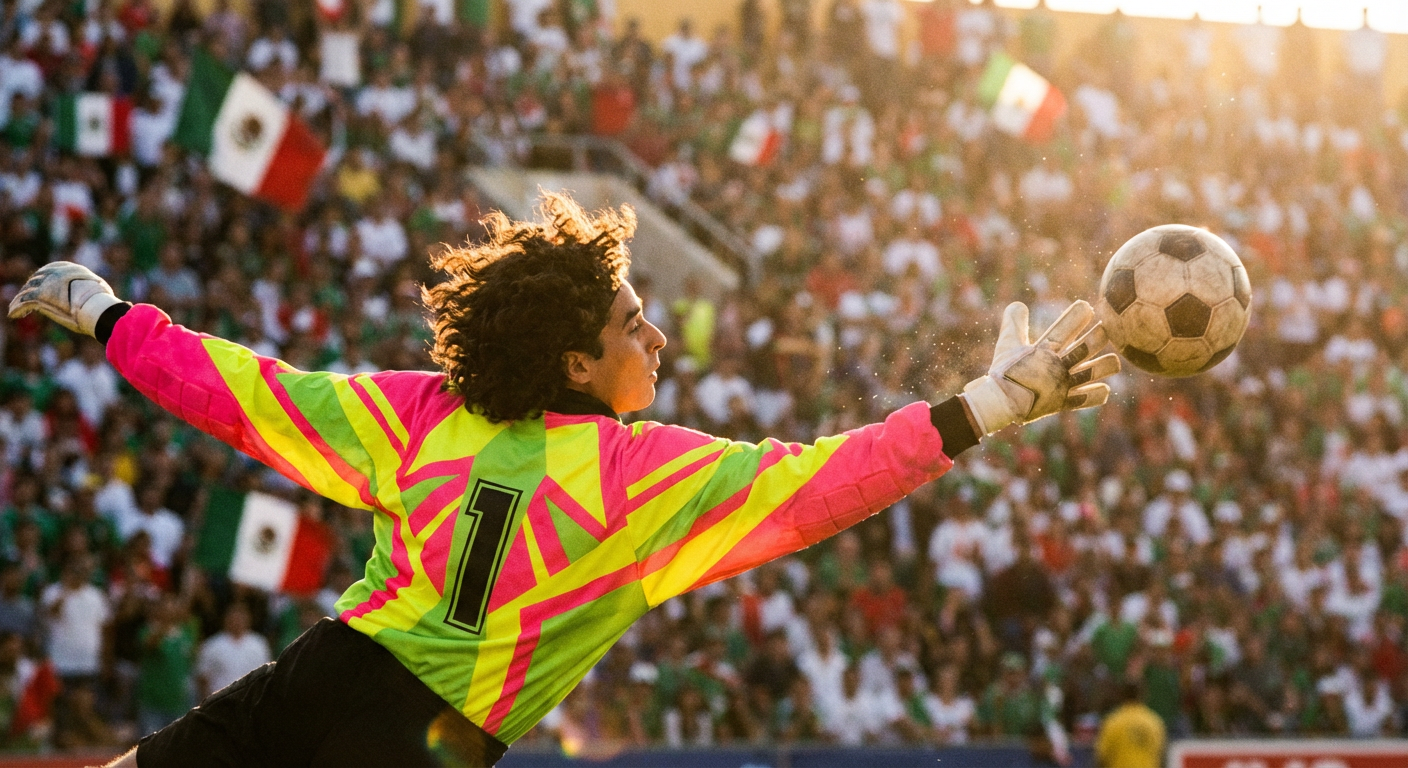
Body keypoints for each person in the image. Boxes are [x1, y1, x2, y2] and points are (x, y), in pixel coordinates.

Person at [9, 192, 1118, 767]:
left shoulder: (417, 414)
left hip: (315, 679)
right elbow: (826, 483)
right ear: (578, 362)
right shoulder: (642, 477)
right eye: (635, 321)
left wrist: (111, 317)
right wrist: (980, 410)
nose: (658, 340)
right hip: (422, 749)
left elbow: (246, 394)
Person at [1096, 680, 1166, 768]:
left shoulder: (1113, 721)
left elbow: (1101, 756)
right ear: (1143, 694)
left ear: (1122, 694)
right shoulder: (1154, 722)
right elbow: (1161, 755)